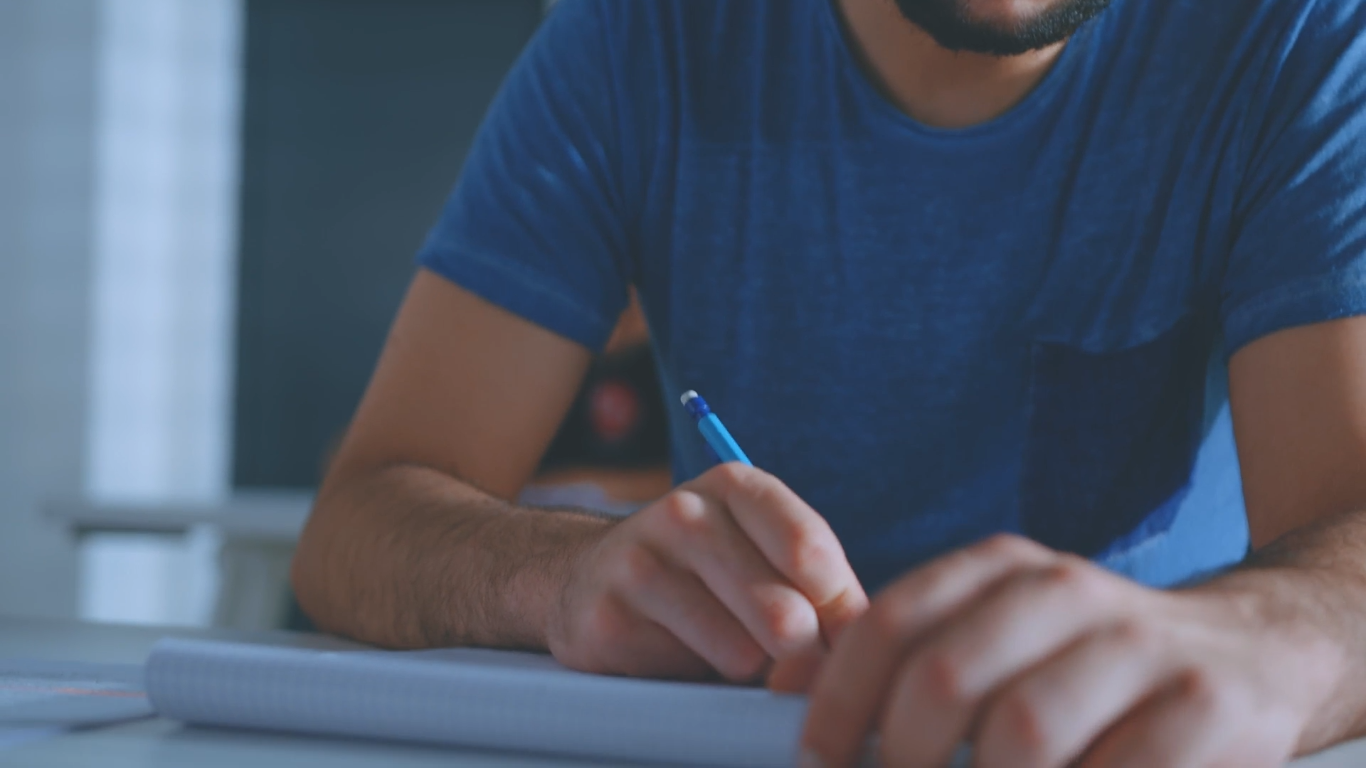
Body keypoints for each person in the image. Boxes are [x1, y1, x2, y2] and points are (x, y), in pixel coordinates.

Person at [289, 0, 1366, 763]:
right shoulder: (637, 34)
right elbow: (359, 519)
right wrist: (556, 577)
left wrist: (1266, 641)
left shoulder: (1295, 37)